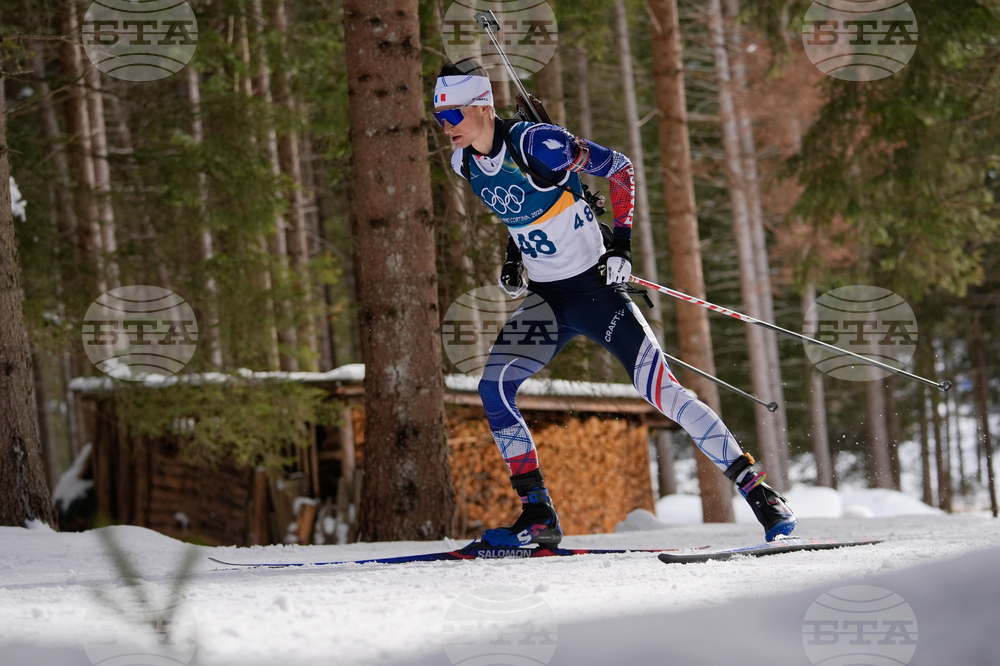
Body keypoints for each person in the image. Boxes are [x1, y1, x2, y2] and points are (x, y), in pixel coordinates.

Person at [433, 60, 796, 547]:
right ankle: (538, 514)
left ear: (482, 106)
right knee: (494, 388)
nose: (445, 128)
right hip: (547, 300)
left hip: (596, 293)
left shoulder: (537, 143)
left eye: (452, 116)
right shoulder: (465, 163)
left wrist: (621, 246)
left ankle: (759, 492)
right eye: (438, 119)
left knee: (661, 391)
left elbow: (620, 167)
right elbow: (514, 211)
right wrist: (514, 256)